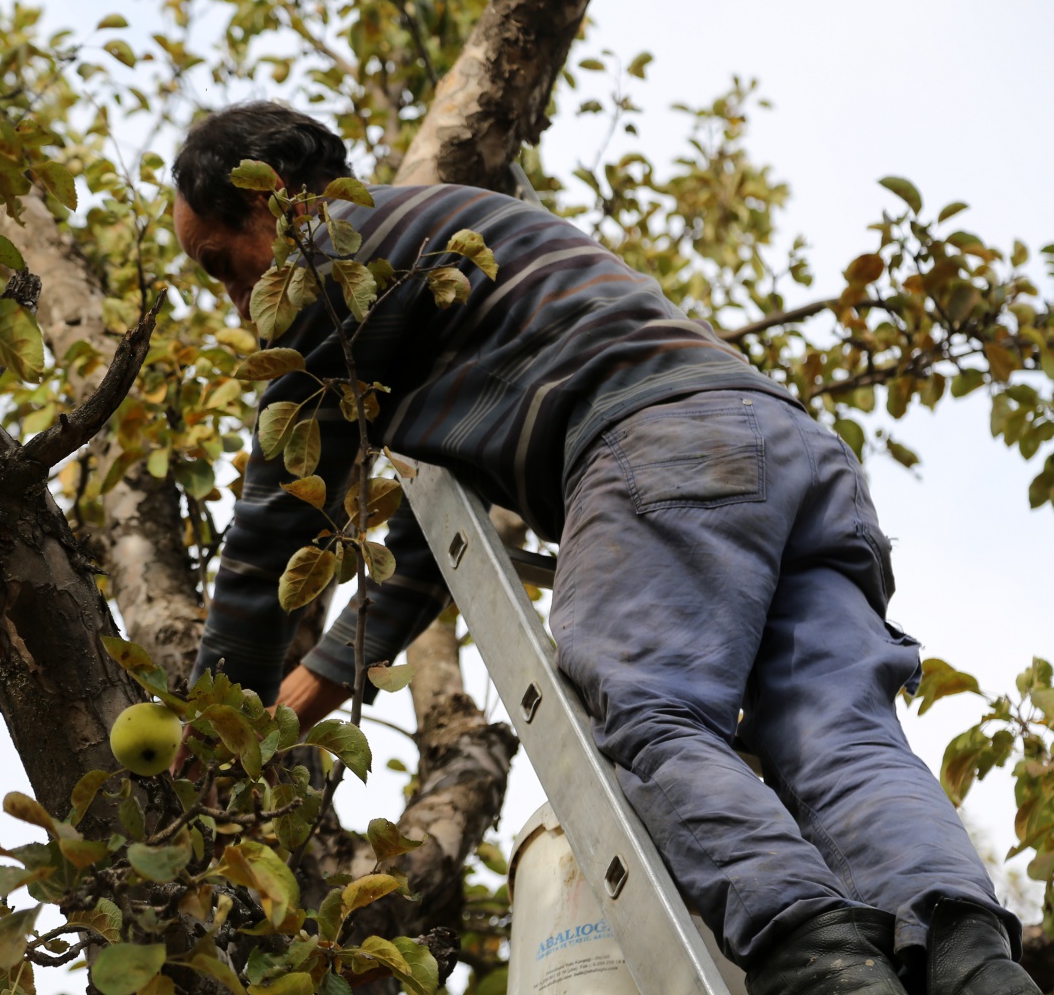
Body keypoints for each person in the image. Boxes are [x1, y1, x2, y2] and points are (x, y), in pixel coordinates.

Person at [169, 101, 1036, 995]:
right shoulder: (444, 239)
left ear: (265, 200)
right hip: (790, 455)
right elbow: (429, 543)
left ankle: (821, 968)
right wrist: (317, 678)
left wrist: (212, 729)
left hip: (663, 453)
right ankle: (973, 964)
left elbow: (269, 531)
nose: (238, 303)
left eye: (220, 267)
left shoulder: (331, 254)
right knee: (839, 734)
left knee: (652, 710)